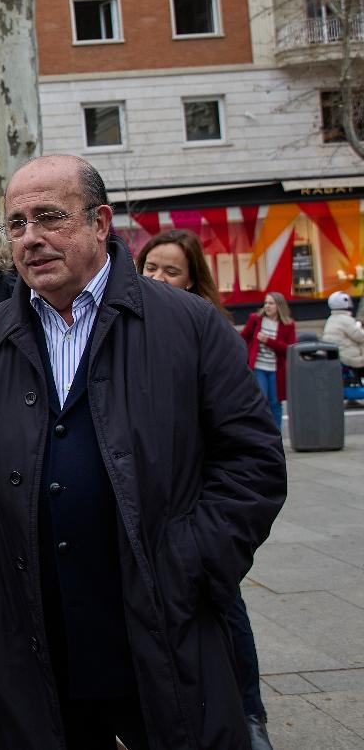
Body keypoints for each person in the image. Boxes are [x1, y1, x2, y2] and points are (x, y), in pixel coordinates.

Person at [0, 155, 286, 750]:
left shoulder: (187, 324)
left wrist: (186, 565)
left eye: (49, 217)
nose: (30, 238)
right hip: (30, 644)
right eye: (15, 224)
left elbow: (254, 462)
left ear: (99, 222)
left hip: (159, 634)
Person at [137, 228, 274, 750]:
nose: (158, 277)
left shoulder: (206, 328)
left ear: (194, 279)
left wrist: (205, 540)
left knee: (224, 611)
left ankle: (250, 713)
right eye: (151, 267)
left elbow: (246, 442)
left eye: (172, 270)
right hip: (153, 505)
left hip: (197, 511)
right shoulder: (131, 324)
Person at [240, 292, 297, 430]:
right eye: (265, 303)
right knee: (261, 400)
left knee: (275, 403)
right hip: (258, 367)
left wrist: (269, 341)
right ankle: (261, 432)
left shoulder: (288, 325)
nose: (267, 306)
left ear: (279, 306)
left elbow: (290, 349)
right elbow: (243, 338)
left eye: (271, 303)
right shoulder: (255, 319)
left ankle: (276, 434)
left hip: (276, 370)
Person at [322, 291, 364, 380]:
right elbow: (360, 337)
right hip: (348, 356)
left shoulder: (332, 318)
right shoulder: (346, 319)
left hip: (338, 354)